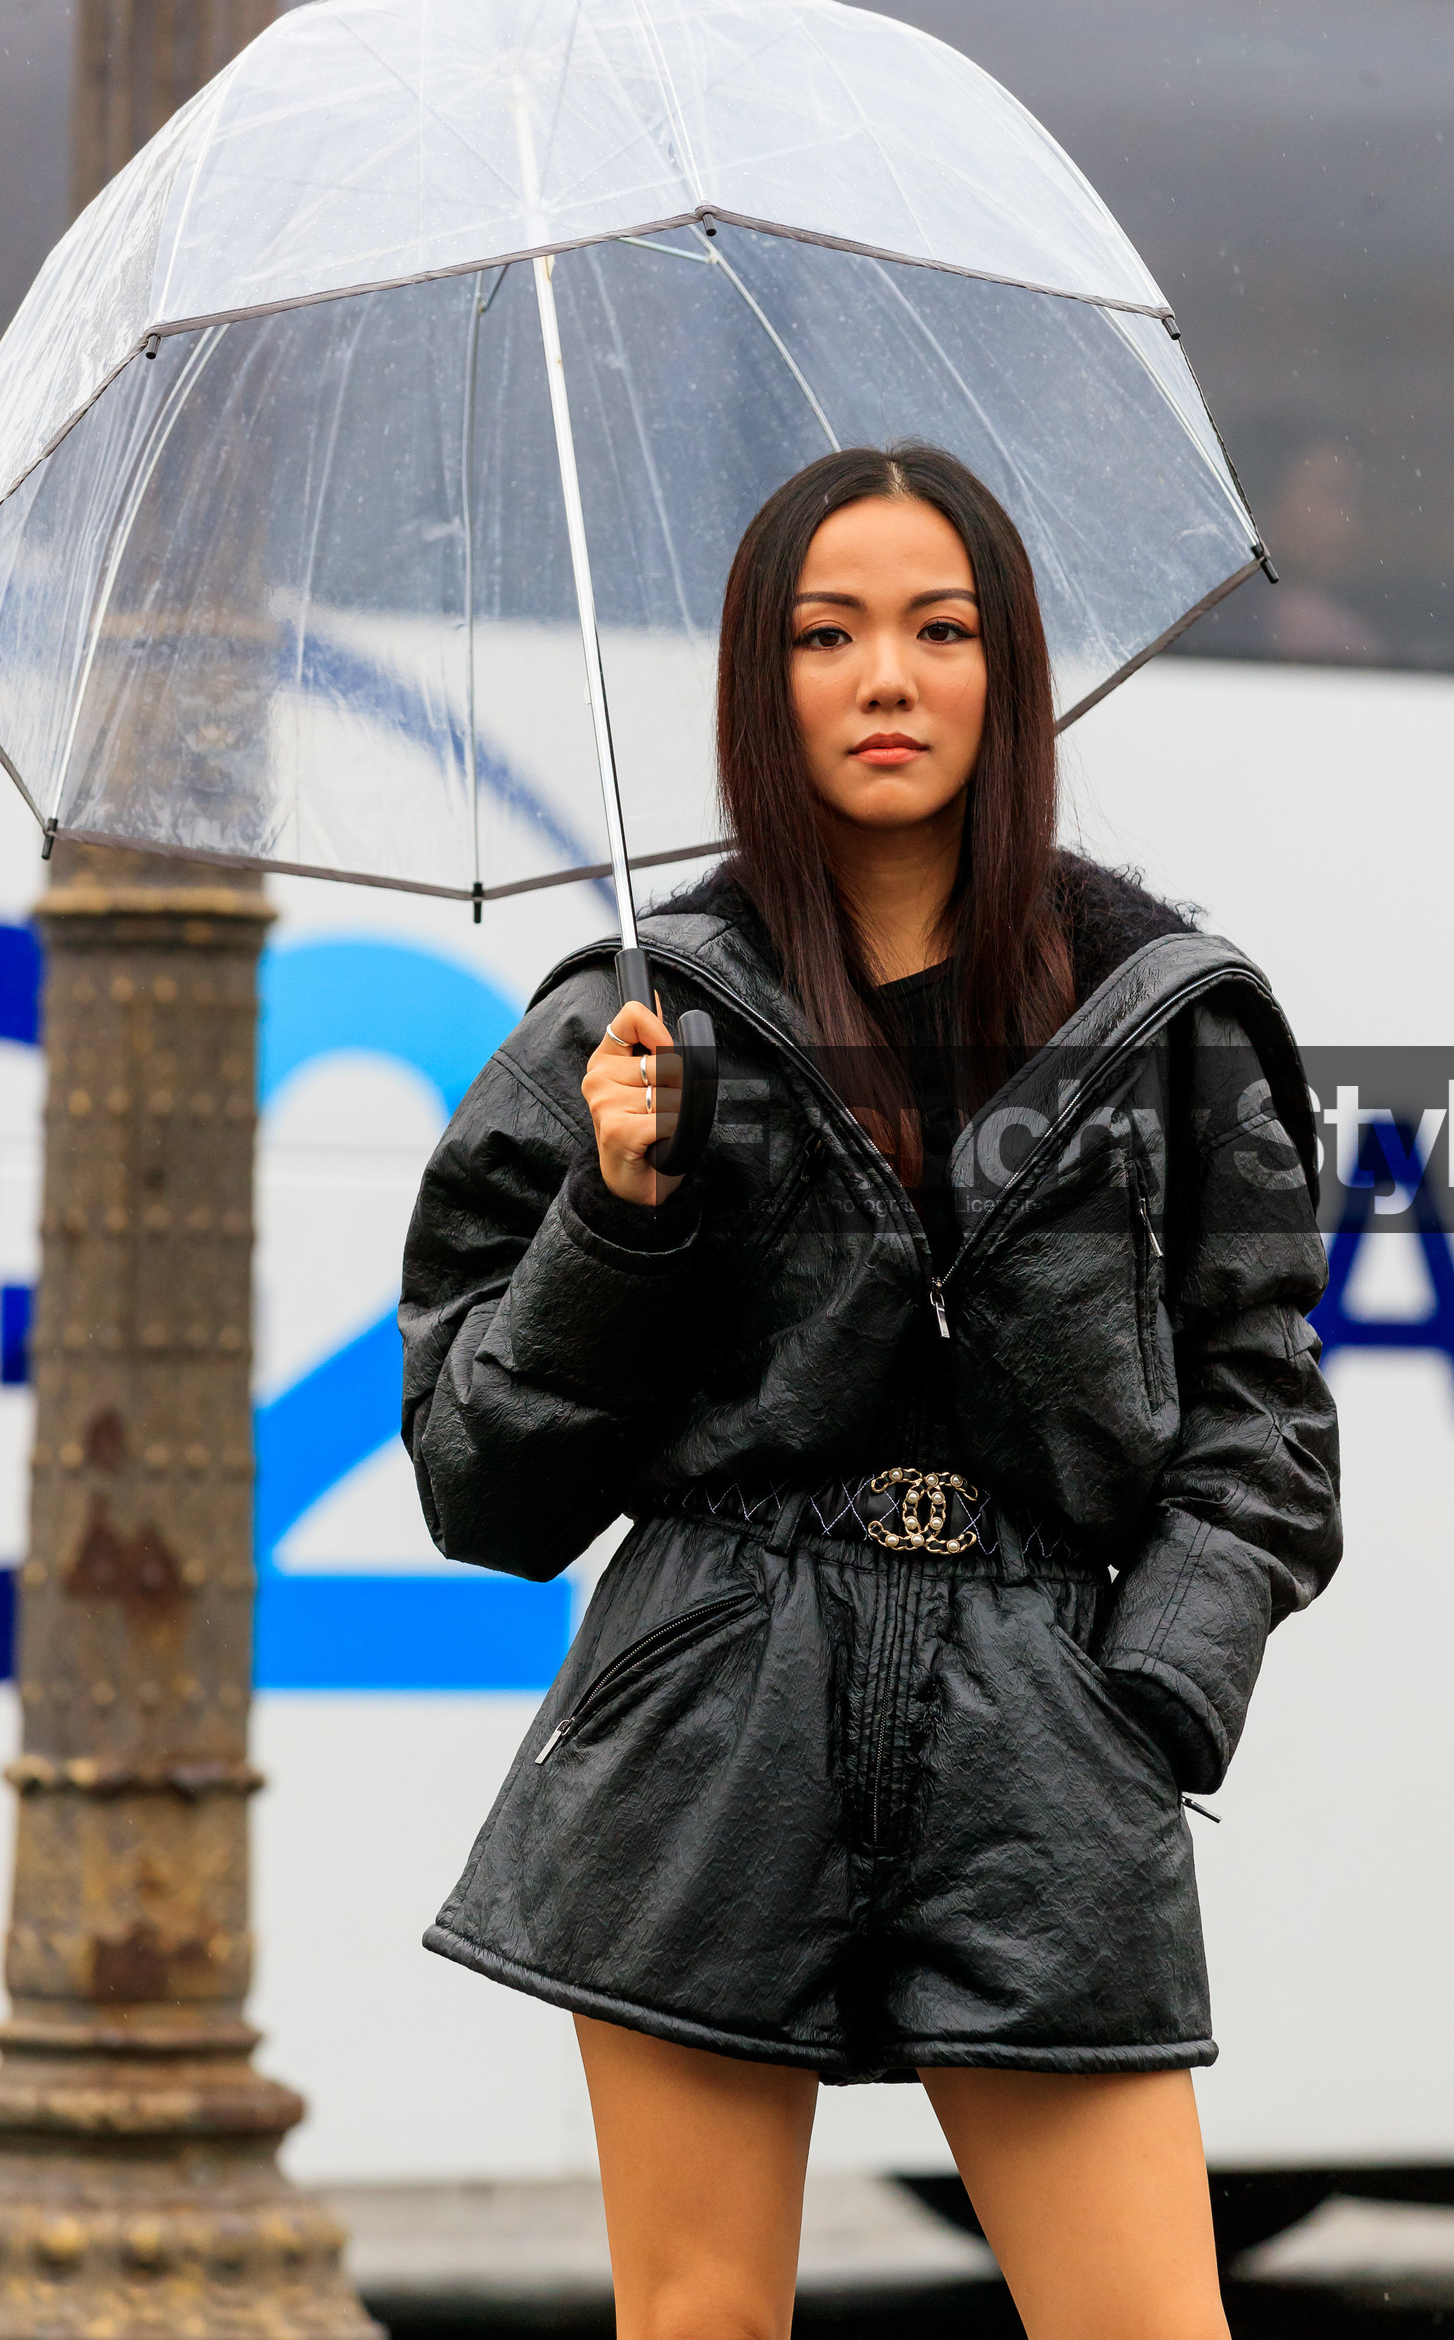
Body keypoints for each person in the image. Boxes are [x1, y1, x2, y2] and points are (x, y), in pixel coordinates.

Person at [401, 445, 1341, 2340]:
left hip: (1042, 1707)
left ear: (1012, 676)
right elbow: (480, 1481)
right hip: (712, 1705)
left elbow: (1268, 1416)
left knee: (1149, 2324)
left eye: (940, 629)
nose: (887, 678)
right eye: (828, 636)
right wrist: (620, 1212)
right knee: (703, 2323)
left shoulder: (1168, 1006)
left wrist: (1155, 1681)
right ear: (767, 680)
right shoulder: (636, 1016)